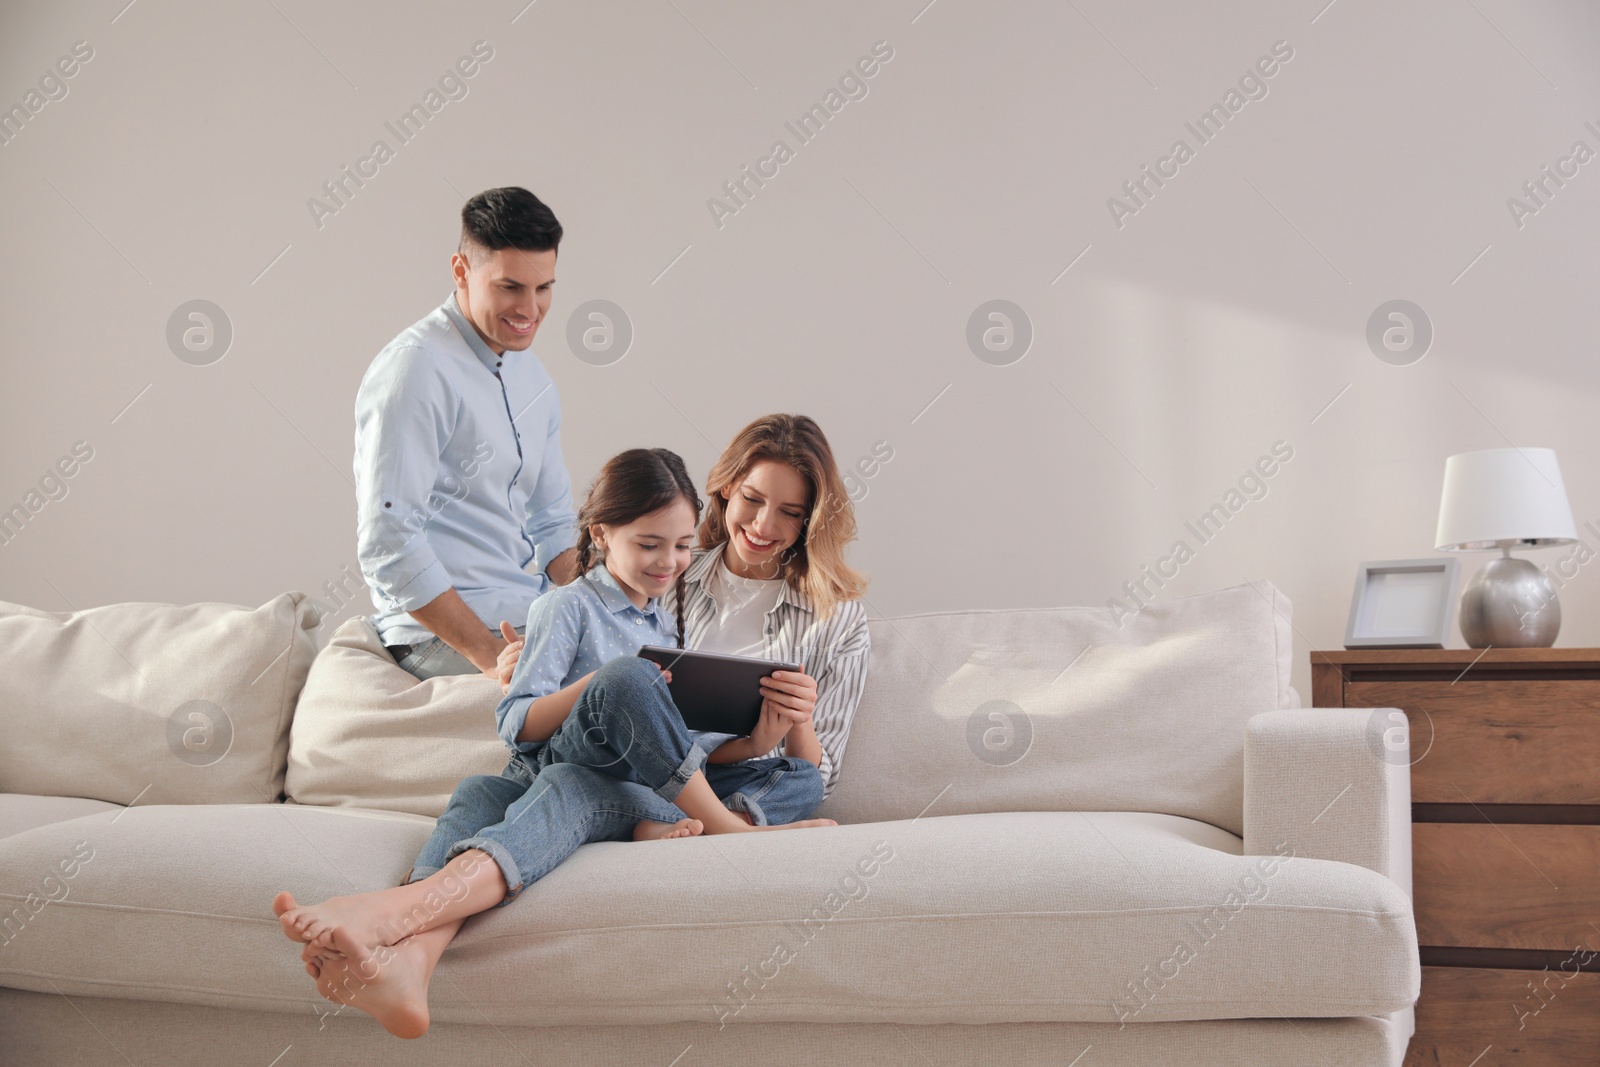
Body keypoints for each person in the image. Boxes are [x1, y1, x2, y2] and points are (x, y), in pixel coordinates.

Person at [274, 416, 871, 1037]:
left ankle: (410, 952)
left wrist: (780, 730)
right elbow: (567, 670)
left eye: (791, 512)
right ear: (724, 494)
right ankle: (410, 933)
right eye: (752, 499)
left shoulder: (812, 612)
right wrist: (532, 664)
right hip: (597, 758)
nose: (765, 525)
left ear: (813, 519)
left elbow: (786, 764)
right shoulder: (671, 581)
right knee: (540, 766)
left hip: (678, 770)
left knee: (794, 780)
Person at [353, 187, 580, 680]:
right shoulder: (415, 369)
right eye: (510, 287)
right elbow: (388, 540)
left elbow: (553, 523)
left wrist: (605, 609)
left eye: (544, 289)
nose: (530, 309)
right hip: (440, 637)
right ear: (461, 271)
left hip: (528, 619)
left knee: (655, 676)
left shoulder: (533, 377)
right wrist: (489, 656)